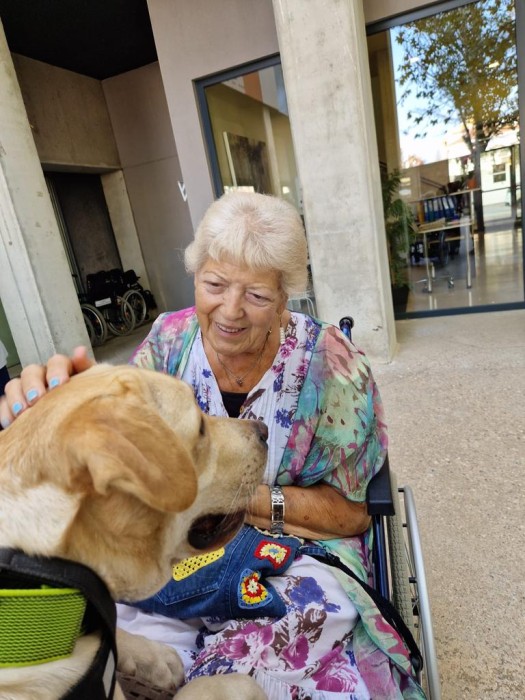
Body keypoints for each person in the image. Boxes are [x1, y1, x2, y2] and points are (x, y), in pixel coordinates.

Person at [0, 191, 424, 699]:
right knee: (100, 638)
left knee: (268, 656)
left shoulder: (334, 366)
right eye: (215, 284)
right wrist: (58, 408)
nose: (231, 310)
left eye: (257, 295)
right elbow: (119, 436)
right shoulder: (167, 340)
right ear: (196, 275)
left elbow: (352, 514)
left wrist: (238, 495)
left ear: (285, 297)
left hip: (295, 552)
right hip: (177, 547)